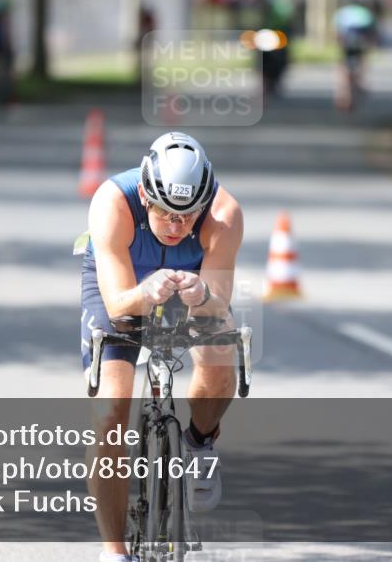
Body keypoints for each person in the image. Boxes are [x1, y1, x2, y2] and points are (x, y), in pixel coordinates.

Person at [80, 132, 243, 562]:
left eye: (188, 216)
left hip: (191, 283)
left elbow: (219, 302)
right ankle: (113, 552)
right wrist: (145, 290)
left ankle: (199, 441)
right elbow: (116, 303)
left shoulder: (224, 214)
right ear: (147, 199)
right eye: (167, 214)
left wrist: (202, 295)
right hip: (124, 284)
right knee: (110, 410)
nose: (176, 227)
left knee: (220, 356)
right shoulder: (112, 202)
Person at [332, 0, 376, 111]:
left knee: (342, 64)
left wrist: (338, 42)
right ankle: (360, 82)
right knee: (361, 61)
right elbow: (371, 32)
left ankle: (342, 89)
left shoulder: (342, 12)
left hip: (346, 43)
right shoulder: (365, 12)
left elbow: (337, 32)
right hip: (360, 43)